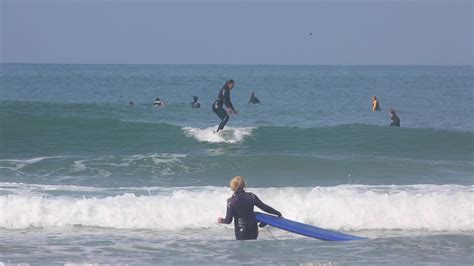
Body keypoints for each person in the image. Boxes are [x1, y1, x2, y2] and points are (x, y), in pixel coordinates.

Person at [217, 176, 282, 240]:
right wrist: (278, 213)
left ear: (232, 187)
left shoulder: (231, 201)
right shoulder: (252, 196)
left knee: (243, 249)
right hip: (253, 230)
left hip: (242, 231)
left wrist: (221, 220)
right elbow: (264, 207)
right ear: (244, 185)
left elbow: (228, 220)